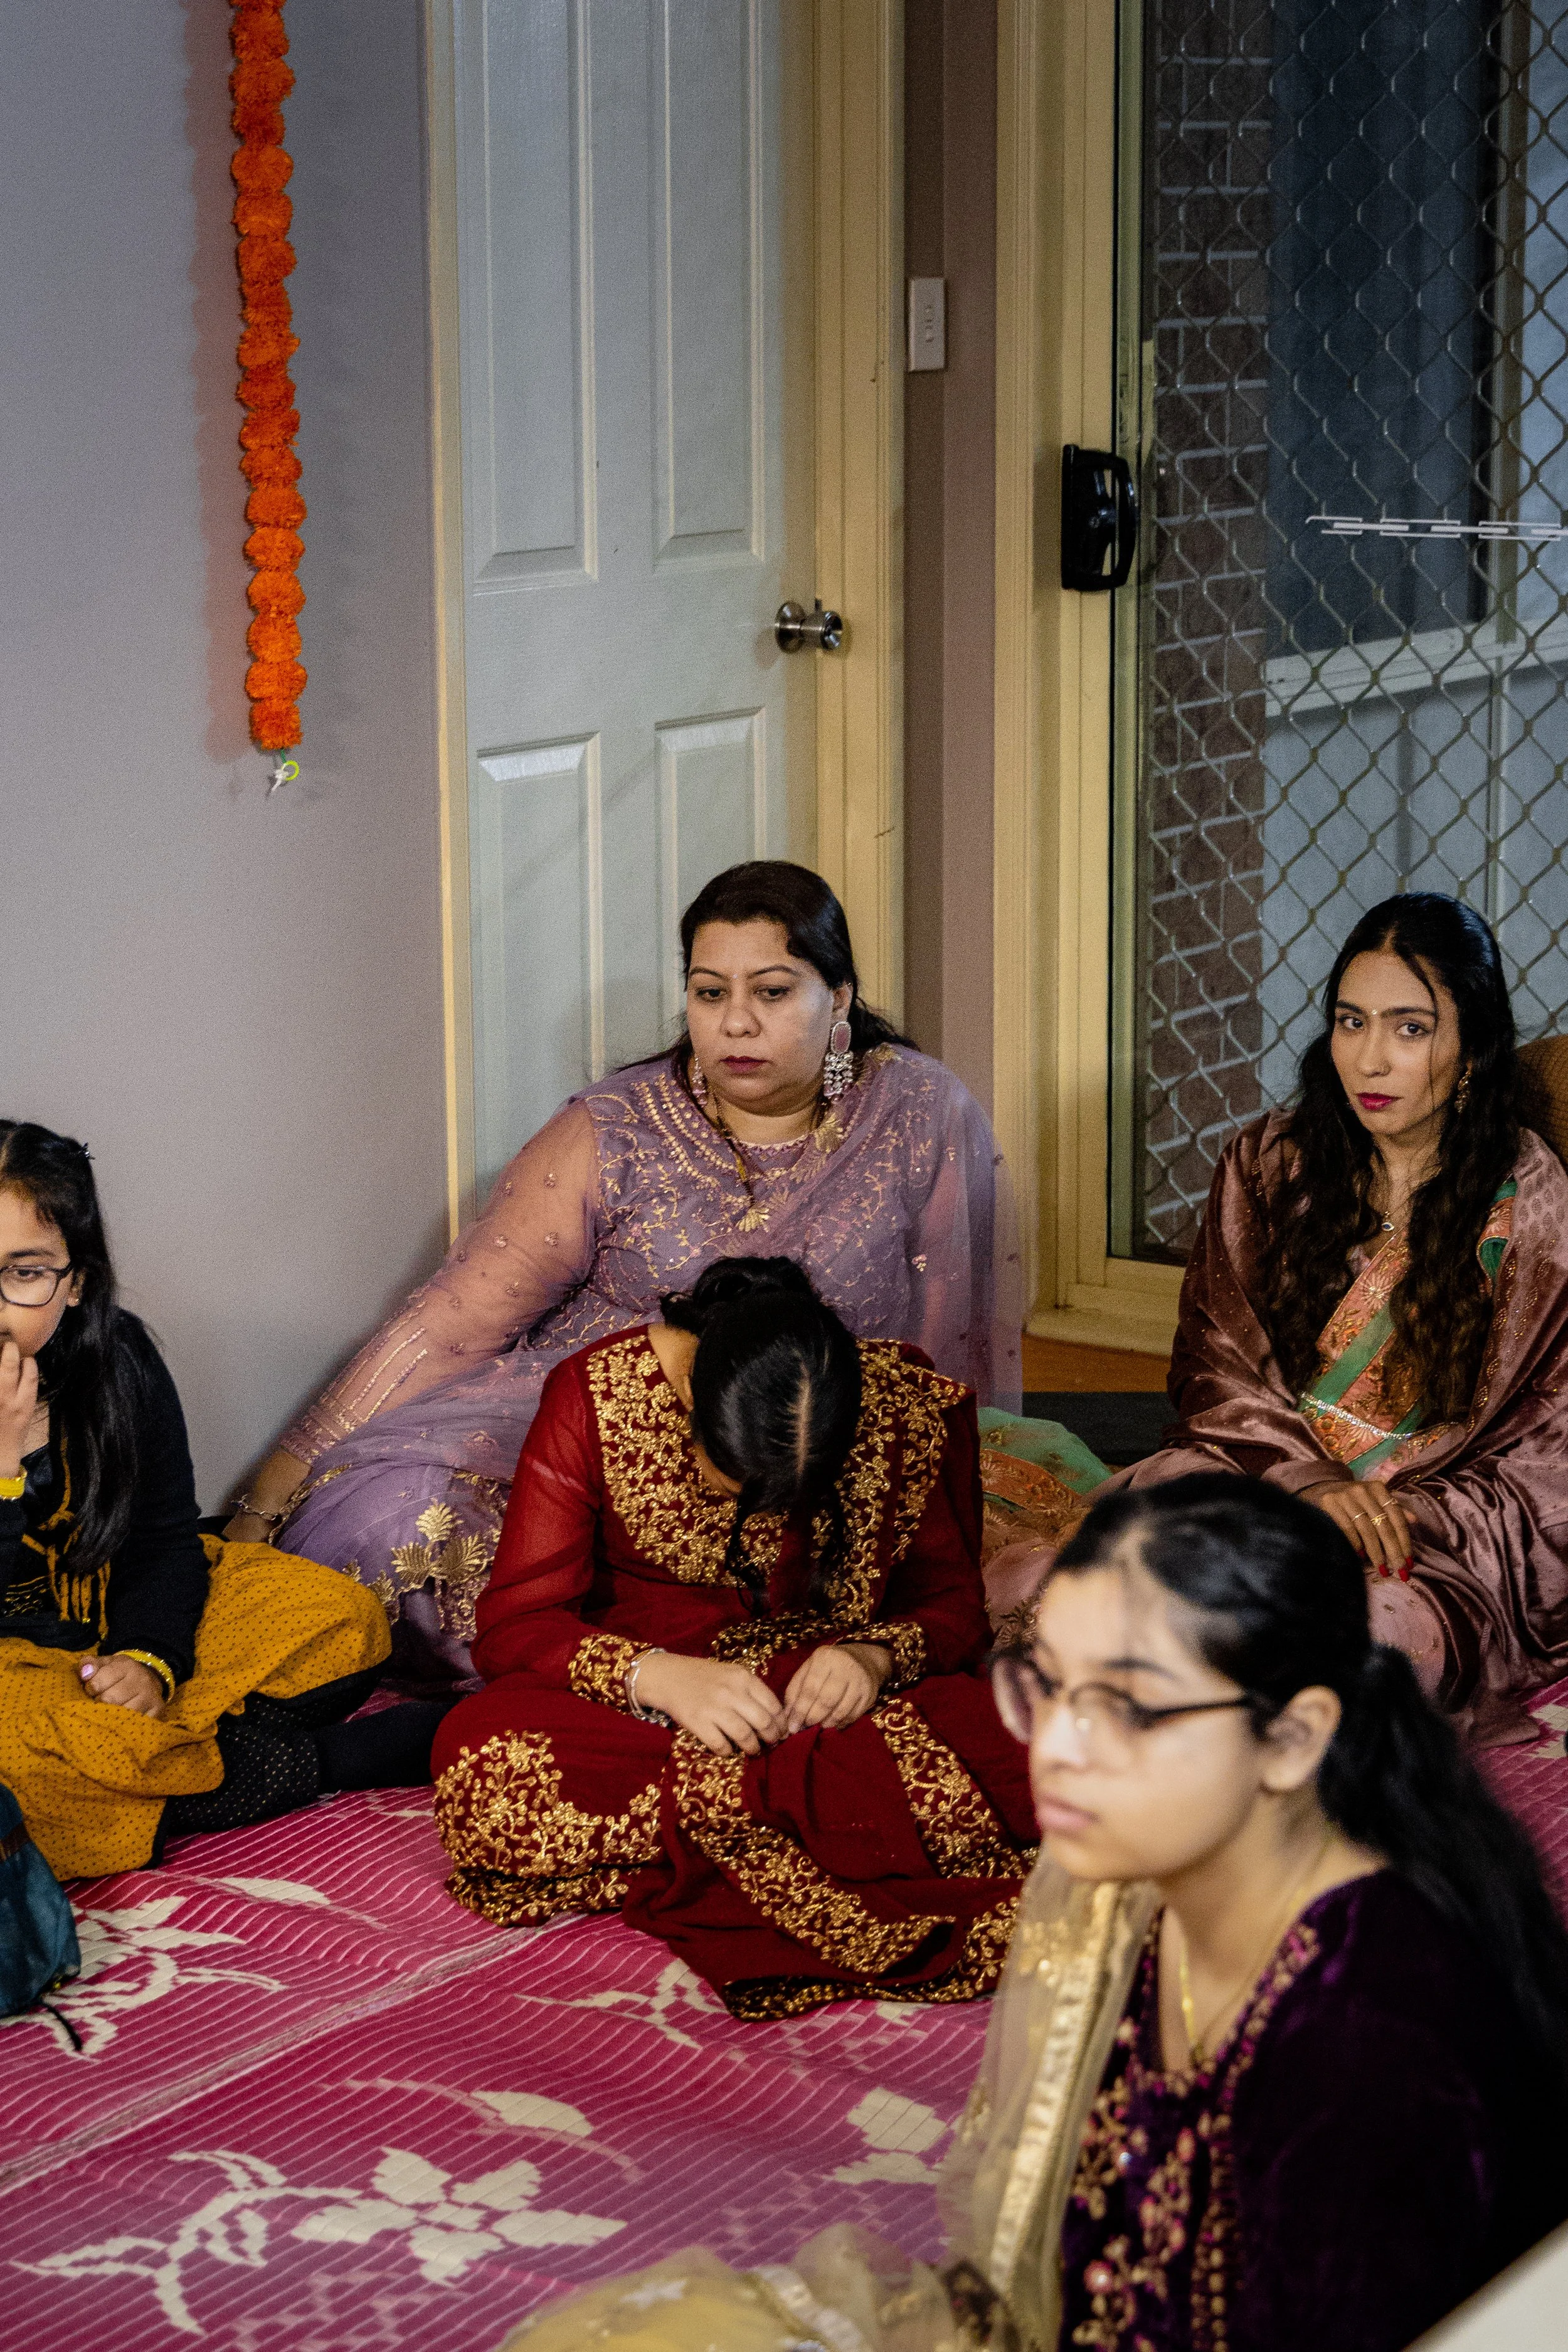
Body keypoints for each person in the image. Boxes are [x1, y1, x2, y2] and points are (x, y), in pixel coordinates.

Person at [506, 1476, 1568, 2352]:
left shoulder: (1376, 2032)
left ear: (1293, 1738)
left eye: (1124, 1706)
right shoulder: (1165, 1893)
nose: (1055, 1748)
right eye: (1047, 1689)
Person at [227, 862, 1020, 1685]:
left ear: (841, 999)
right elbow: (450, 1322)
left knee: (1015, 1597)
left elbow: (941, 1351)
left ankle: (641, 1668)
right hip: (593, 1450)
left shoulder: (916, 1112)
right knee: (393, 1526)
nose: (736, 1024)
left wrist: (931, 1505)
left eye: (774, 992)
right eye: (710, 994)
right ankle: (647, 1671)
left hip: (807, 1459)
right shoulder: (617, 1126)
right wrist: (262, 1503)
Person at [989, 892, 1568, 1739]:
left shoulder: (1528, 1206)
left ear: (1471, 1045)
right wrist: (1312, 1483)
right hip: (1259, 1473)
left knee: (1342, 1652)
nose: (1370, 1059)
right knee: (1073, 1593)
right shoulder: (1273, 1160)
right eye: (1351, 1021)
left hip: (1419, 1525)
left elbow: (1546, 1451)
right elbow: (1215, 1368)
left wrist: (1398, 1509)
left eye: (1410, 1029)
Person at [430, 1256, 1036, 2016]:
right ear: (689, 1402)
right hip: (653, 1718)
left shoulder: (905, 1402)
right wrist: (656, 1676)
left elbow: (952, 1609)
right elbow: (517, 1622)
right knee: (482, 1757)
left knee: (1040, 1740)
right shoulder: (595, 1395)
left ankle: (752, 1819)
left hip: (835, 1718)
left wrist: (871, 1655)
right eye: (731, 1484)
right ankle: (839, 1826)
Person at [0, 1121, 402, 1879]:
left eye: (24, 1273)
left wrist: (151, 1660)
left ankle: (145, 1761)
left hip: (108, 1622)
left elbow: (161, 1543)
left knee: (340, 1618)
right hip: (9, 1677)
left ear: (75, 1281)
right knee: (27, 1756)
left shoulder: (119, 1361)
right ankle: (314, 1762)